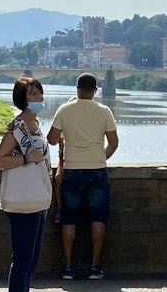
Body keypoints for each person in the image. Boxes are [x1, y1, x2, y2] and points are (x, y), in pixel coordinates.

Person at [0, 76, 50, 292]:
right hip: (23, 203)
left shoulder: (35, 125)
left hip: (37, 199)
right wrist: (28, 158)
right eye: (33, 94)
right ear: (23, 98)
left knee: (31, 259)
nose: (38, 97)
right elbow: (0, 161)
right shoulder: (18, 128)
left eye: (39, 92)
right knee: (22, 260)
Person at [47, 72, 118, 280]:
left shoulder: (64, 109)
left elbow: (51, 139)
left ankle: (68, 266)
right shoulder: (105, 111)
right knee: (98, 219)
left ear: (77, 89)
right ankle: (95, 266)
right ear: (95, 91)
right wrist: (101, 156)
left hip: (71, 169)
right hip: (97, 169)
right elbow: (114, 142)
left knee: (69, 220)